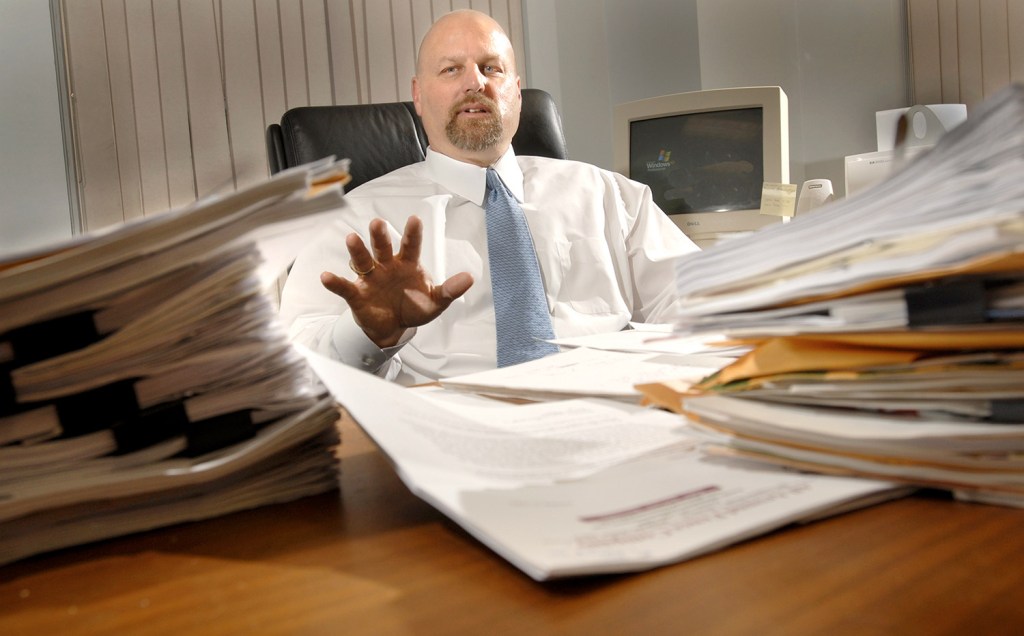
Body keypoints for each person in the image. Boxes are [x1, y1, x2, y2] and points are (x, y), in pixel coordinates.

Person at [279, 9, 699, 385]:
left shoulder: (612, 196)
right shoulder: (355, 220)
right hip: (447, 429)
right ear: (419, 96)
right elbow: (296, 367)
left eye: (491, 68)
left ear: (516, 91)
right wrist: (369, 332)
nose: (475, 82)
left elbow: (704, 304)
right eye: (450, 70)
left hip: (613, 410)